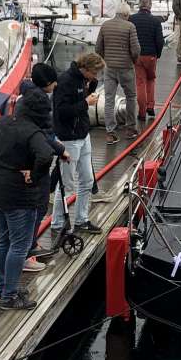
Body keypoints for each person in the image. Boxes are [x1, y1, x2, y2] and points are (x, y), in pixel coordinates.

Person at [0, 89, 56, 310]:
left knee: (3, 241)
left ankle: (3, 289)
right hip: (19, 195)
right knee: (19, 245)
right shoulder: (33, 132)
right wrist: (34, 173)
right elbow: (45, 155)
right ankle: (9, 295)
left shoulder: (1, 123)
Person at [17, 63, 69, 264]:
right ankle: (27, 249)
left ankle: (30, 243)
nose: (56, 85)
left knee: (34, 207)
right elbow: (42, 135)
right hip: (34, 161)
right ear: (47, 83)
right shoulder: (39, 103)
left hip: (25, 159)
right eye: (54, 81)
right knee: (37, 206)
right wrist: (60, 149)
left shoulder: (26, 99)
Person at [52, 52, 104, 234]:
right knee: (66, 184)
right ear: (86, 69)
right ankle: (57, 223)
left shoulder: (83, 79)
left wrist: (90, 89)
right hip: (69, 138)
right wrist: (85, 102)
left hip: (83, 134)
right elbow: (62, 112)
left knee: (87, 180)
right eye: (95, 74)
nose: (95, 77)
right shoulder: (66, 81)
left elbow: (80, 99)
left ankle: (82, 220)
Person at [95, 4, 140, 144]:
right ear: (126, 15)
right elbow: (136, 49)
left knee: (109, 99)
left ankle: (110, 132)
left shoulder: (105, 25)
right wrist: (133, 61)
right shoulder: (130, 27)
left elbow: (98, 48)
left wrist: (106, 59)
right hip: (126, 68)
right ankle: (130, 128)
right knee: (131, 97)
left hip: (109, 68)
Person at [129, 0, 164, 121]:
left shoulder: (131, 19)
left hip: (137, 56)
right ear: (150, 6)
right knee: (151, 80)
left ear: (139, 6)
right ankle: (151, 106)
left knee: (140, 83)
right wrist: (157, 54)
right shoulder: (155, 21)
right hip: (151, 56)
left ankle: (142, 113)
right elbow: (160, 41)